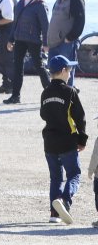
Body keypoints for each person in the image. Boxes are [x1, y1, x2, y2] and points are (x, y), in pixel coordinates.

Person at [39, 54, 87, 224]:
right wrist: (82, 139)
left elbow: (43, 114)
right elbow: (80, 117)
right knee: (74, 174)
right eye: (70, 69)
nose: (70, 72)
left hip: (49, 141)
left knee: (56, 178)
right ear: (63, 70)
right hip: (67, 140)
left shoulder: (45, 92)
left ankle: (54, 214)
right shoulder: (70, 91)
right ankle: (65, 200)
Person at [4, 0, 49, 105]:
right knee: (17, 67)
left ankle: (51, 93)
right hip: (20, 39)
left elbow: (45, 25)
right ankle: (15, 96)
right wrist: (10, 40)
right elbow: (15, 23)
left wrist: (46, 43)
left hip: (34, 40)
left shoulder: (40, 4)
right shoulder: (20, 3)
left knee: (39, 66)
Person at [47, 0, 85, 77]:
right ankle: (55, 88)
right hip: (53, 42)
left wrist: (70, 37)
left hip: (66, 43)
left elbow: (80, 21)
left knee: (66, 71)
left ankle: (67, 88)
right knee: (54, 72)